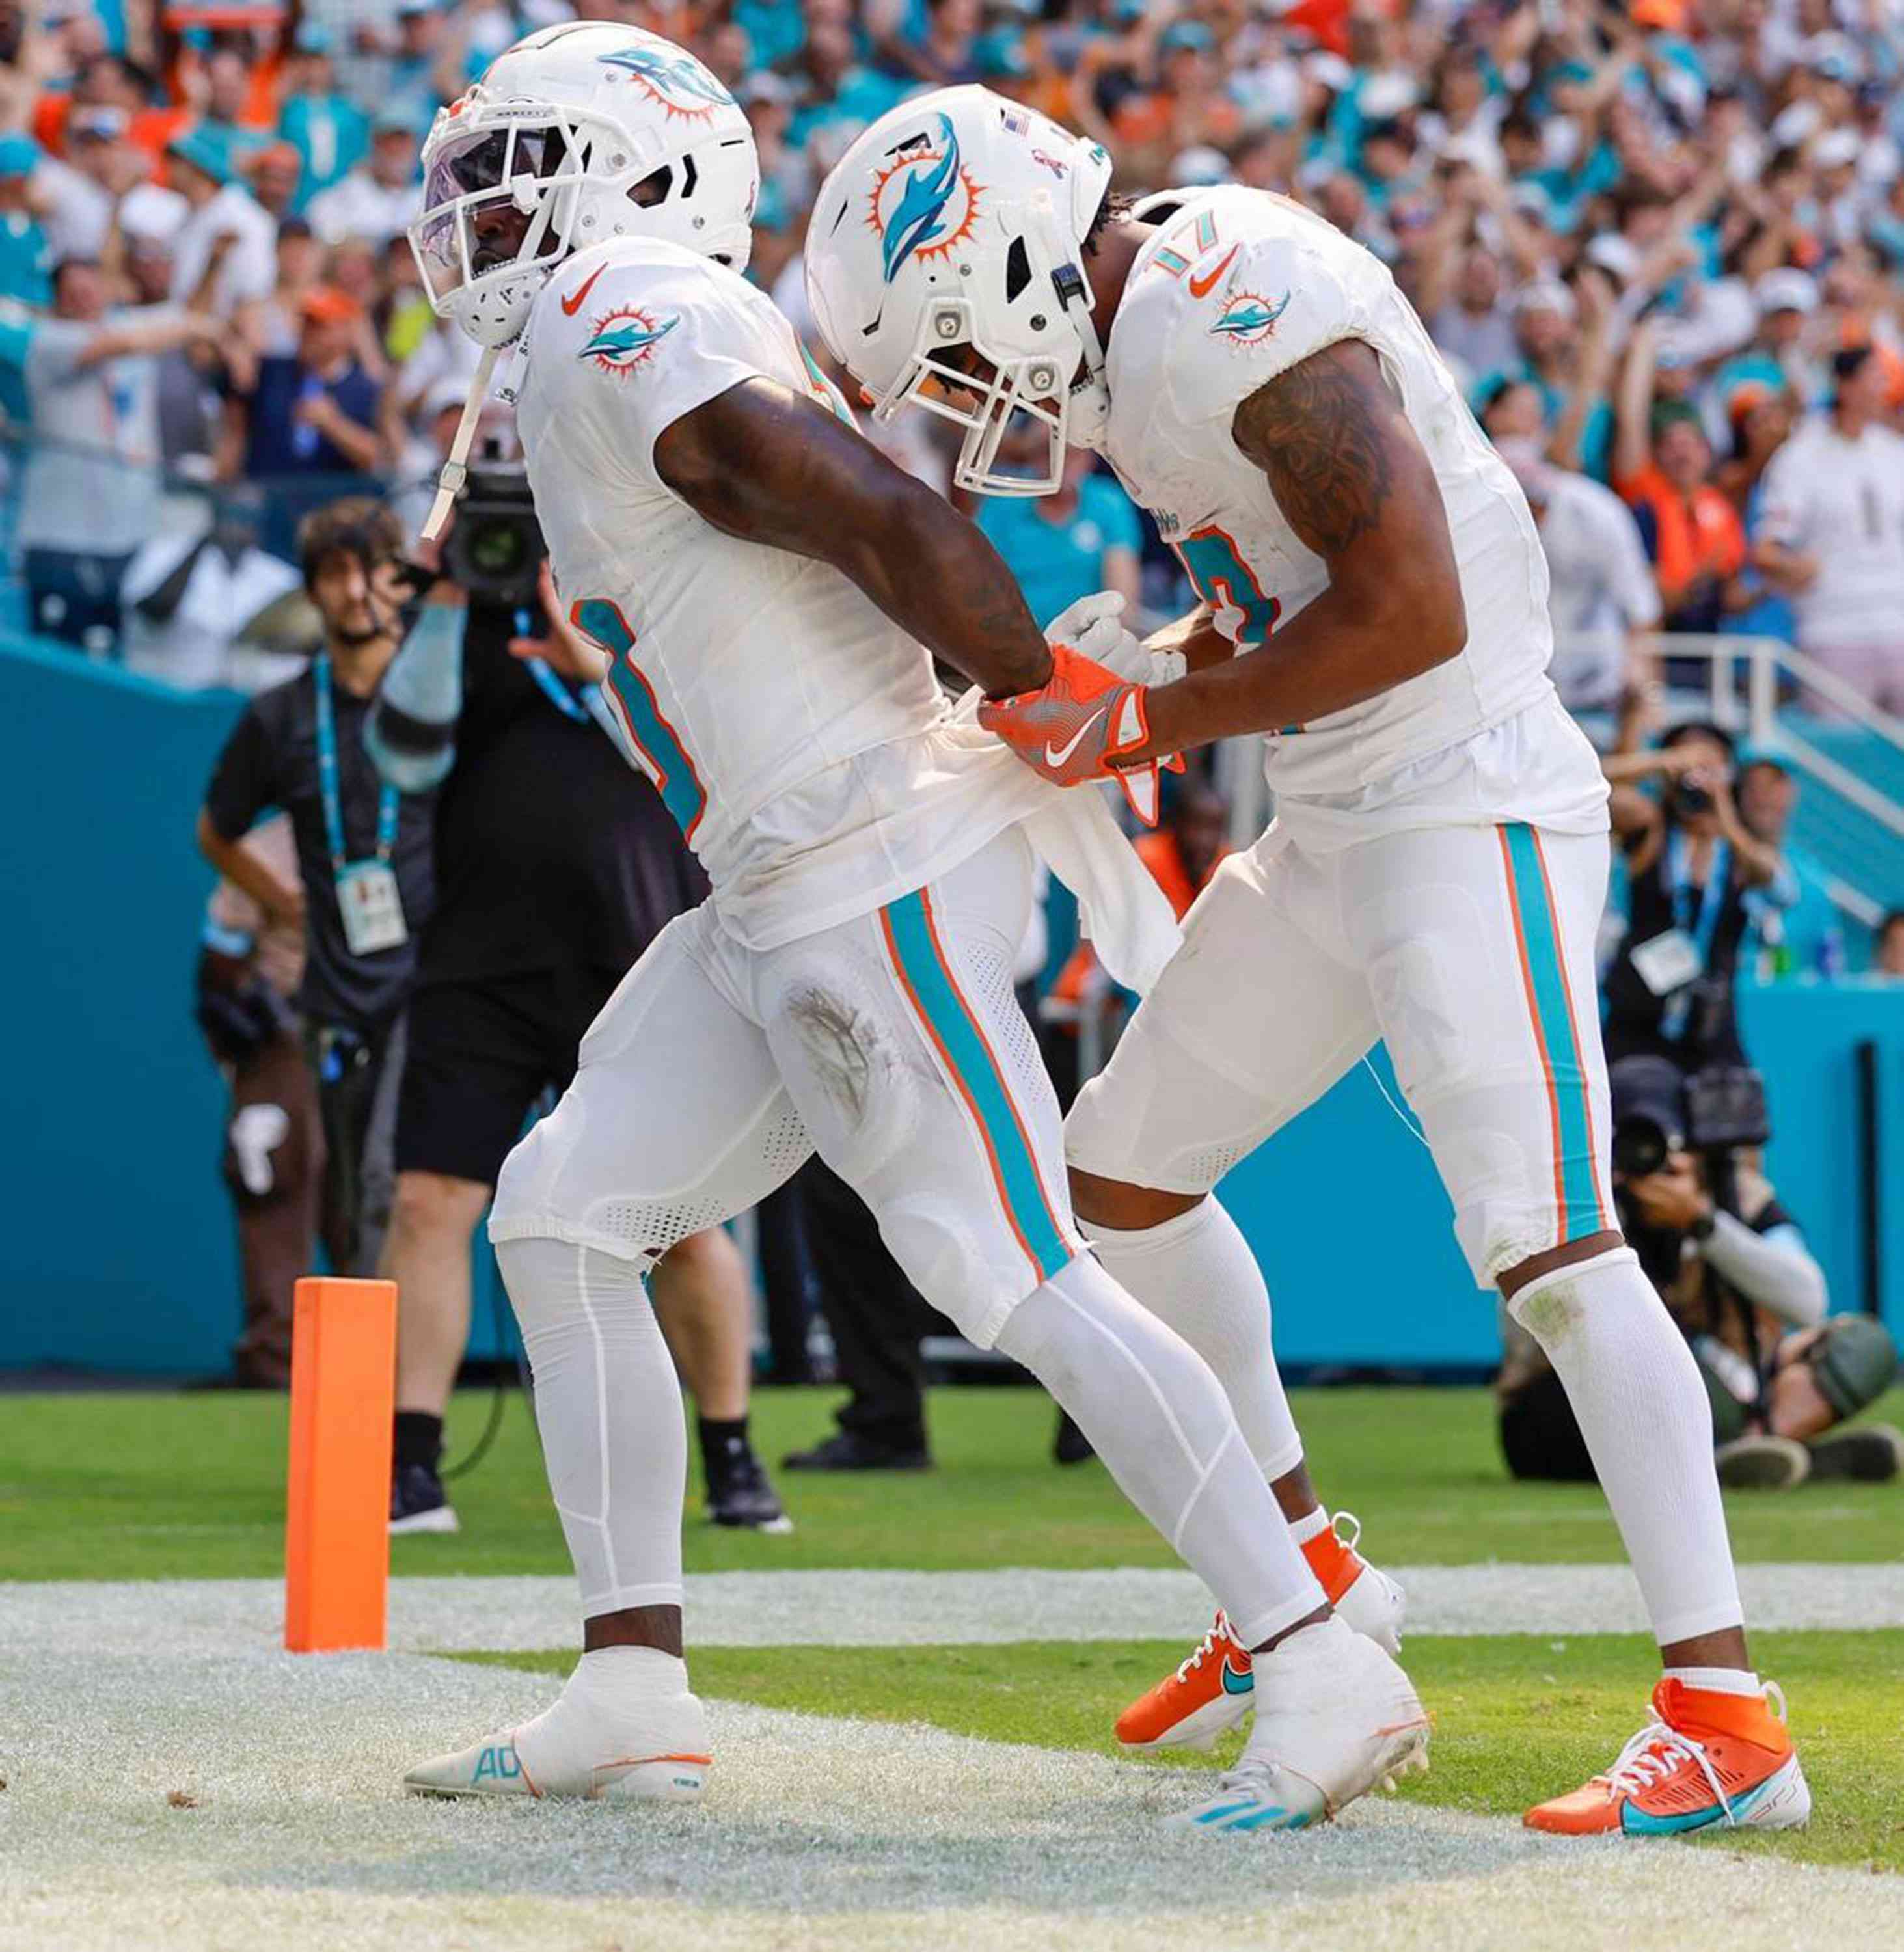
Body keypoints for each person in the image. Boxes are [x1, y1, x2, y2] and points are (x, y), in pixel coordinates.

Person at [400, 25, 1419, 1832]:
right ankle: (630, 1678)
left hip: (864, 853)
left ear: (636, 172)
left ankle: (1315, 1645)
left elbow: (868, 509)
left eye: (512, 169)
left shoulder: (628, 299)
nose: (478, 212)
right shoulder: (585, 331)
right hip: (771, 878)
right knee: (561, 1215)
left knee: (1007, 1265)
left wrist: (1032, 693)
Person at [809, 83, 1808, 1840]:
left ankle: (1724, 1715)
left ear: (1025, 261)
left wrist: (1156, 720)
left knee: (1555, 1251)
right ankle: (1307, 1572)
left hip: (1462, 797)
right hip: (1332, 816)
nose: (976, 405)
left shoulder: (1226, 295)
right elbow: (1289, 575)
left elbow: (1406, 596)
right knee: (1113, 1185)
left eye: (961, 355)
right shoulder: (1125, 343)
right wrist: (1166, 655)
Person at [364, 559, 789, 1537]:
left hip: (635, 964)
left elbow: (690, 765)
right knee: (430, 1202)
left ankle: (729, 1451)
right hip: (480, 965)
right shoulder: (463, 627)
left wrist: (588, 663)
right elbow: (404, 756)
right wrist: (444, 603)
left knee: (681, 1220)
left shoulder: (663, 611)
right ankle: (410, 1464)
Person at [197, 498, 436, 1281]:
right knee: (349, 1198)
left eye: (371, 569)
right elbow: (215, 832)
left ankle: (406, 1397)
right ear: (312, 590)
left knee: (392, 1186)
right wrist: (283, 902)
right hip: (331, 992)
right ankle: (372, 1390)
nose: (356, 589)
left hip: (436, 986)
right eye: (334, 574)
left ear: (400, 582)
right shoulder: (281, 715)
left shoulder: (443, 691)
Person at [1499, 1055, 1900, 1490]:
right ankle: (1767, 1452)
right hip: (1585, 1400)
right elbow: (1537, 1338)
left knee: (1863, 1346)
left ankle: (1759, 1444)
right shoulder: (1579, 1205)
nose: (1655, 1161)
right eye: (1639, 1144)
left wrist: (1703, 1224)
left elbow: (1808, 1301)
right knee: (1678, 1380)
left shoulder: (1735, 1195)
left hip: (1732, 1381)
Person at [0, 256, 226, 653]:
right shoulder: (50, 340)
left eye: (92, 289)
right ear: (58, 300)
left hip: (128, 534)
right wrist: (198, 328)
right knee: (61, 659)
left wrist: (216, 260)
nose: (86, 301)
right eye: (75, 294)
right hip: (64, 537)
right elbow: (131, 340)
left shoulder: (127, 325)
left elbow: (185, 314)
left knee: (115, 654)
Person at [194, 816, 320, 1389]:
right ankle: (275, 1355)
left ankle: (376, 1356)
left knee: (376, 1196)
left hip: (385, 1025)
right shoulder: (266, 850)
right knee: (270, 1178)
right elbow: (221, 953)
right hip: (288, 1031)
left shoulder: (412, 830)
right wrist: (234, 1027)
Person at [1601, 722, 1781, 1072]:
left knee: (1728, 1120)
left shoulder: (1739, 848)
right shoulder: (1651, 830)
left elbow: (1775, 882)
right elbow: (1589, 782)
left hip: (1711, 1025)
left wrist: (1721, 806)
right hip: (1639, 1020)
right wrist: (1661, 761)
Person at [1755, 345, 1904, 718]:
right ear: (1845, 385)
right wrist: (1794, 567)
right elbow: (1767, 549)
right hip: (1834, 625)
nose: (1882, 388)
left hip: (1898, 621)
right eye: (1874, 377)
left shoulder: (1893, 452)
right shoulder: (1800, 458)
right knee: (1844, 754)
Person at [1499, 437, 1660, 713]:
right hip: (1523, 680)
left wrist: (1648, 689)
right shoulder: (1487, 522)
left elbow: (1639, 604)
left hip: (1601, 671)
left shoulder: (1596, 513)